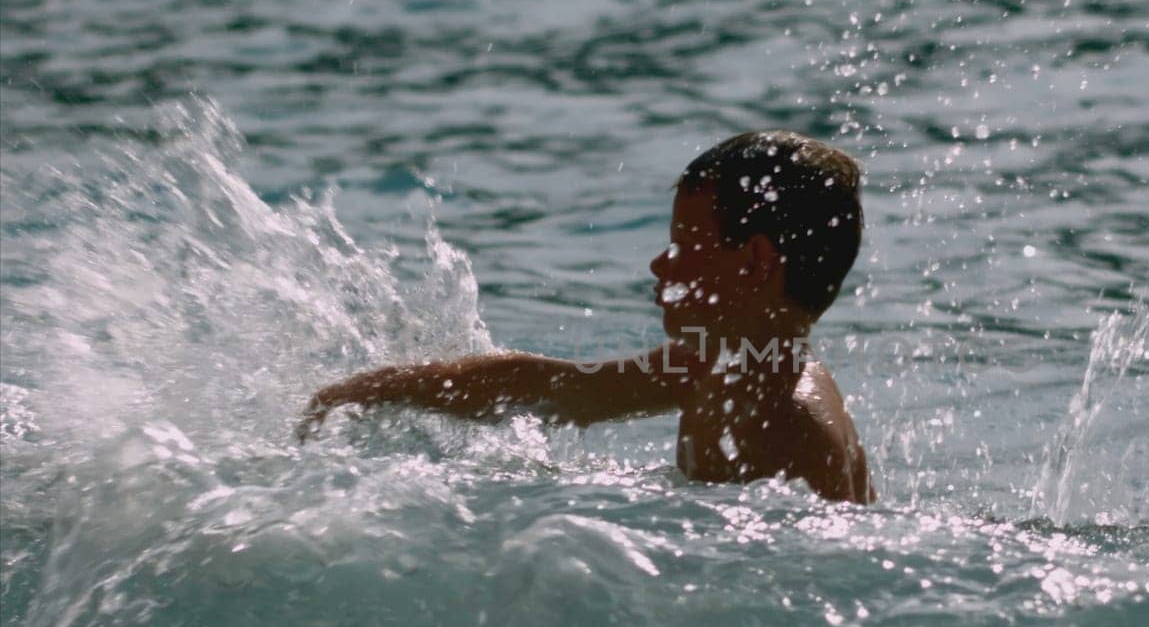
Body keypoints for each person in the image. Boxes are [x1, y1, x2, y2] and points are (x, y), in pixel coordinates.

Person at [300, 131, 874, 503]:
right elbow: (556, 388)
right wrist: (372, 389)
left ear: (754, 262)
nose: (659, 262)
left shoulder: (773, 419)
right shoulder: (737, 365)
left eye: (682, 242)